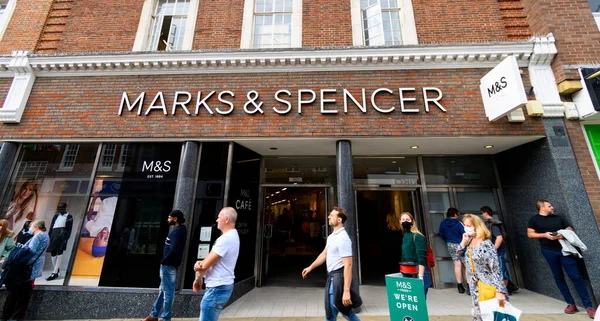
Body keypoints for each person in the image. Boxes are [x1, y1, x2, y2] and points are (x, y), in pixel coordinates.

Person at [527, 200, 595, 318]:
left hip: (565, 251)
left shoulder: (558, 218)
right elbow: (530, 234)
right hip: (548, 251)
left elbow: (570, 229)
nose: (552, 207)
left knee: (576, 276)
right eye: (549, 206)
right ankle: (570, 304)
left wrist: (563, 234)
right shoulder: (534, 220)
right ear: (542, 208)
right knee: (558, 277)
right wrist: (545, 235)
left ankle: (589, 306)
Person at [302, 207, 362, 321]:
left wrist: (346, 291)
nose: (328, 217)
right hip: (333, 278)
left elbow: (348, 265)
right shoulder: (331, 237)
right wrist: (310, 267)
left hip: (338, 279)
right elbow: (324, 254)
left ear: (339, 220)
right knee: (346, 313)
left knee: (332, 314)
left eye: (332, 215)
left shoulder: (343, 238)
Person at [193, 207, 240, 321]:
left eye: (219, 217)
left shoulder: (226, 239)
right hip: (221, 287)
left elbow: (205, 265)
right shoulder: (233, 235)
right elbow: (209, 261)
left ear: (227, 219)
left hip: (216, 289)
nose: (217, 220)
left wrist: (197, 277)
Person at [458, 214, 507, 321]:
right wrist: (463, 242)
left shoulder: (486, 244)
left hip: (489, 285)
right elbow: (459, 253)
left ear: (477, 226)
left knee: (492, 316)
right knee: (480, 315)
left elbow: (495, 268)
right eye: (465, 225)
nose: (466, 228)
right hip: (476, 287)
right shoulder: (469, 241)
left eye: (469, 225)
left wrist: (500, 291)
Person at [143, 210, 188, 321]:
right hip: (169, 265)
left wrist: (165, 260)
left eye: (169, 218)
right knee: (163, 291)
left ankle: (165, 318)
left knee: (167, 293)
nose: (168, 220)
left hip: (168, 266)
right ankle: (154, 315)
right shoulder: (179, 230)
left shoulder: (177, 231)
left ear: (175, 218)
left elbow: (174, 249)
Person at [1, 220, 49, 320]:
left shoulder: (38, 236)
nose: (30, 229)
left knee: (18, 293)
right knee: (23, 293)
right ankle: (16, 316)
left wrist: (15, 259)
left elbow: (29, 251)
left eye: (31, 226)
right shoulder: (45, 235)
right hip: (32, 268)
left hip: (26, 268)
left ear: (35, 227)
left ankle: (11, 316)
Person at [480, 206, 516, 292]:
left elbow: (499, 238)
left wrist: (493, 250)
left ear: (485, 212)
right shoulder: (490, 223)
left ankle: (504, 290)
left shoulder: (492, 224)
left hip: (497, 252)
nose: (482, 215)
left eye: (482, 213)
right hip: (494, 251)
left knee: (501, 270)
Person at [400, 212, 432, 296]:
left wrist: (420, 276)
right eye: (403, 220)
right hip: (408, 270)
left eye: (407, 219)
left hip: (418, 270)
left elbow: (421, 257)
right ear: (400, 221)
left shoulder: (417, 236)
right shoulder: (405, 236)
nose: (405, 221)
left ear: (412, 221)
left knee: (420, 301)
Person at [439, 207, 467, 294]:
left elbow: (441, 234)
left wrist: (447, 240)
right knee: (467, 264)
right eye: (457, 214)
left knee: (457, 264)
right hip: (461, 244)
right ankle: (470, 285)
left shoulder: (443, 223)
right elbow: (465, 233)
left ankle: (460, 285)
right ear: (455, 214)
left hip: (450, 244)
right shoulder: (458, 223)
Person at [46, 202, 74, 281]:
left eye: (61, 208)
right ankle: (57, 270)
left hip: (62, 234)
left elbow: (69, 229)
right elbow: (52, 226)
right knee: (53, 252)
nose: (59, 209)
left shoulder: (69, 216)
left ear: (65, 208)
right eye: (58, 208)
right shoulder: (56, 216)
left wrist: (66, 238)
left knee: (60, 251)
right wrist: (49, 235)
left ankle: (54, 272)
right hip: (54, 233)